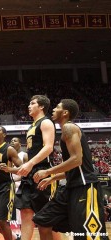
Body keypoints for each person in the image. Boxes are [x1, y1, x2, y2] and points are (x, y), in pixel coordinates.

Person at [33, 99, 109, 240]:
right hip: (71, 188)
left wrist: (48, 171)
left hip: (85, 186)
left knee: (90, 235)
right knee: (42, 220)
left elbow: (76, 160)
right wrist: (53, 178)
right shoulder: (64, 132)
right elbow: (75, 167)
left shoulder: (69, 127)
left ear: (65, 112)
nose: (54, 110)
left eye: (57, 107)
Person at [15, 95, 58, 240]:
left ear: (41, 107)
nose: (29, 106)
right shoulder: (31, 126)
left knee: (45, 217)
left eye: (32, 103)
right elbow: (31, 152)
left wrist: (30, 163)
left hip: (43, 171)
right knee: (26, 210)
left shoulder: (46, 122)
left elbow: (48, 148)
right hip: (30, 172)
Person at [10, 137, 27, 229]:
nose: (12, 142)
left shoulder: (24, 155)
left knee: (21, 215)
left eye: (15, 140)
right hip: (9, 187)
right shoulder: (8, 156)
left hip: (20, 186)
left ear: (20, 144)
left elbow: (26, 173)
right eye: (11, 141)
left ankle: (23, 235)